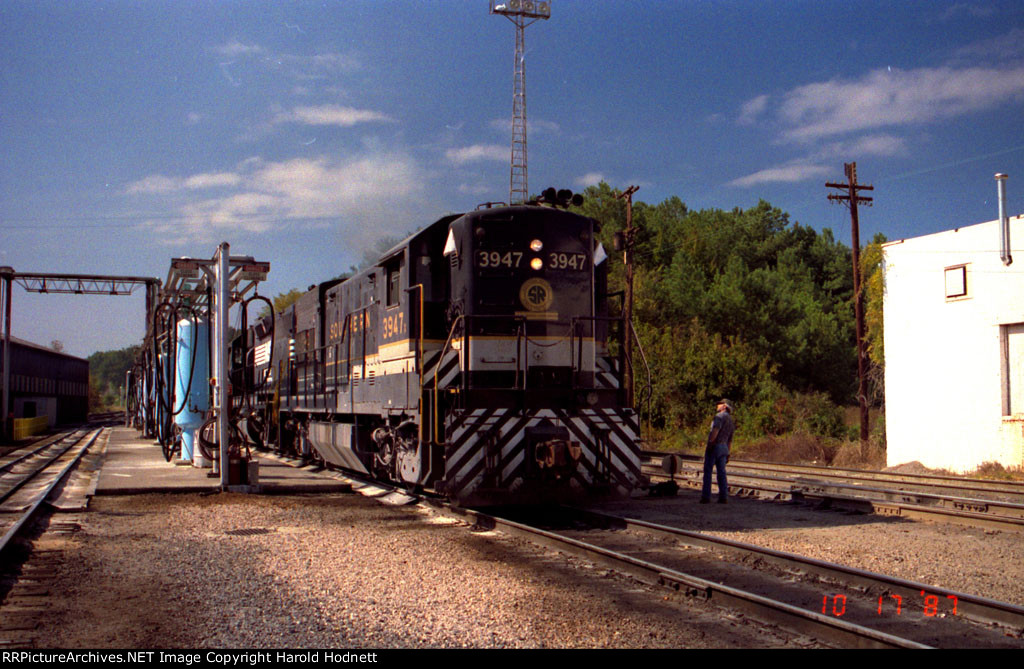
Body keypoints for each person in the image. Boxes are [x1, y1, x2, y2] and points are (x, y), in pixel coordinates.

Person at [700, 399, 735, 504]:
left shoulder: (719, 417)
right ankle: (723, 497)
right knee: (722, 473)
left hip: (716, 446)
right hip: (724, 447)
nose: (717, 405)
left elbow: (715, 430)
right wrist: (728, 453)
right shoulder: (731, 421)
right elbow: (730, 440)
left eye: (719, 404)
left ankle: (706, 497)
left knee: (708, 472)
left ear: (724, 406)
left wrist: (710, 443)